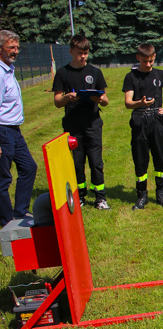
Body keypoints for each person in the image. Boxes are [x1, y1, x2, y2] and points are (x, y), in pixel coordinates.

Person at [52, 35, 111, 210]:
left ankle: (100, 198)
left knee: (96, 161)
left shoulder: (95, 72)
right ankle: (80, 196)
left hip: (92, 124)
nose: (83, 56)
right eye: (79, 53)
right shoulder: (63, 73)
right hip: (73, 125)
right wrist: (66, 98)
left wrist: (99, 99)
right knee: (77, 162)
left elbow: (106, 100)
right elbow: (56, 101)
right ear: (71, 52)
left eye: (85, 53)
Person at [122, 43, 163, 210]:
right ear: (138, 58)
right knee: (140, 160)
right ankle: (142, 196)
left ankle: (161, 194)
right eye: (145, 61)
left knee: (159, 158)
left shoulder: (160, 74)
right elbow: (128, 103)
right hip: (139, 120)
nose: (148, 64)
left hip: (157, 120)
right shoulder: (131, 77)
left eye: (151, 61)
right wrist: (140, 103)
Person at [0, 30, 37, 227]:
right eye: (10, 48)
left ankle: (20, 211)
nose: (15, 51)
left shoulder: (8, 69)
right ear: (0, 49)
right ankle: (7, 222)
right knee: (3, 178)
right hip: (2, 131)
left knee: (29, 167)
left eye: (17, 47)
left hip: (14, 131)